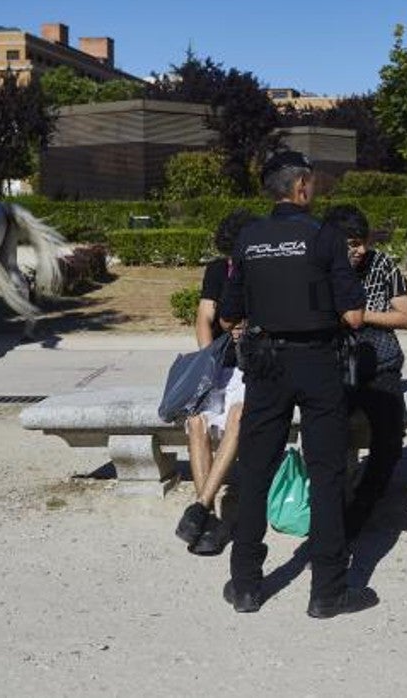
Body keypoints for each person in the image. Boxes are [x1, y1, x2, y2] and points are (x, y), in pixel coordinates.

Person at [218, 151, 371, 618]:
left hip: (266, 364)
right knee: (325, 474)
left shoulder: (248, 238)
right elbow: (354, 315)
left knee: (255, 470)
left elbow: (228, 315)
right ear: (301, 186)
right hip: (317, 361)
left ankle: (246, 584)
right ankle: (327, 591)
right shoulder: (324, 236)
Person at [321, 204, 407, 541]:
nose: (361, 250)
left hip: (380, 365)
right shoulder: (318, 267)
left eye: (363, 242)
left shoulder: (381, 264)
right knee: (325, 437)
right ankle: (330, 506)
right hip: (333, 365)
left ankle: (362, 506)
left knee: (389, 439)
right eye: (352, 244)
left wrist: (361, 316)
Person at [174, 209, 259, 556]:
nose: (232, 261)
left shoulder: (264, 271)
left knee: (238, 415)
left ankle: (200, 509)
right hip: (219, 366)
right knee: (197, 421)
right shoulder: (216, 270)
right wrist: (206, 367)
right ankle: (207, 518)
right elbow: (204, 318)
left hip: (251, 367)